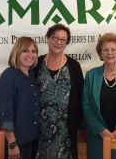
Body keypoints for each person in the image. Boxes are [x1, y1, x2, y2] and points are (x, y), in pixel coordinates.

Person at [34, 24, 84, 159]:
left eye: (63, 39)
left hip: (66, 129)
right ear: (48, 38)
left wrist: (79, 124)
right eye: (55, 38)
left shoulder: (74, 66)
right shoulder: (36, 64)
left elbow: (81, 96)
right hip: (39, 128)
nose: (58, 42)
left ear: (66, 43)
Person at [0, 36, 40, 159]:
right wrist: (12, 144)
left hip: (30, 137)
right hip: (16, 141)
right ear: (17, 52)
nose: (30, 55)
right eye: (25, 50)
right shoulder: (9, 75)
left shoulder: (31, 74)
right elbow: (5, 113)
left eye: (33, 51)